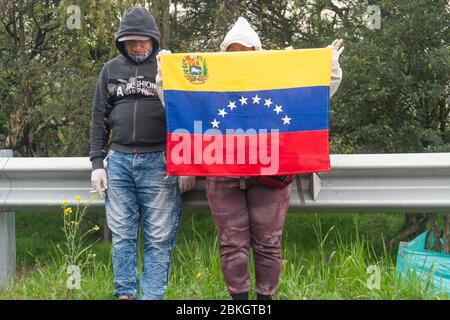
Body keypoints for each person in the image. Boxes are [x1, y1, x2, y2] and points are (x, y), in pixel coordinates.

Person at [205, 17, 344, 300]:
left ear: (258, 52)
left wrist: (328, 67)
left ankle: (266, 300)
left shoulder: (277, 80)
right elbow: (180, 105)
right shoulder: (211, 84)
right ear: (224, 55)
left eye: (246, 51)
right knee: (232, 244)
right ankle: (240, 303)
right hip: (224, 171)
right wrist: (165, 77)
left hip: (271, 172)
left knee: (268, 244)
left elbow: (313, 96)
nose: (240, 58)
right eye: (233, 52)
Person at [89, 6, 194, 300]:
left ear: (153, 39)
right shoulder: (110, 69)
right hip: (119, 162)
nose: (136, 46)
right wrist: (97, 162)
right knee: (122, 234)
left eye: (142, 40)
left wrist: (185, 163)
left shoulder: (170, 67)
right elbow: (99, 116)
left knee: (159, 237)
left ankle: (152, 296)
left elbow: (187, 113)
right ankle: (125, 293)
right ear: (122, 41)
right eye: (130, 41)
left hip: (160, 161)